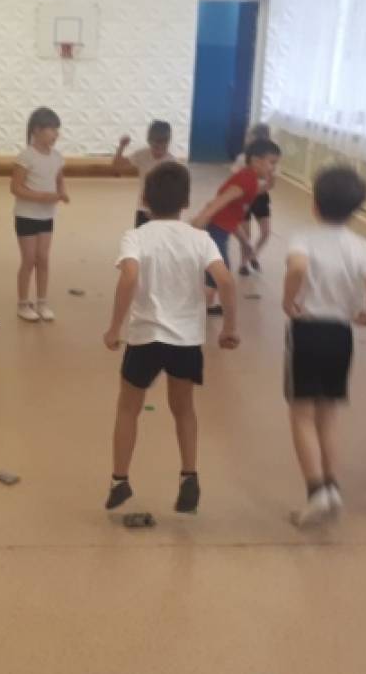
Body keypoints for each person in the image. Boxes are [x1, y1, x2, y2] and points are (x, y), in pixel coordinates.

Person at [102, 162, 238, 514]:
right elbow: (225, 280)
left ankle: (119, 480)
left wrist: (115, 328)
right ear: (186, 201)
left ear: (145, 200)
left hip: (145, 337)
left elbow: (129, 277)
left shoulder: (136, 236)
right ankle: (189, 476)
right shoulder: (200, 238)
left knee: (128, 408)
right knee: (184, 409)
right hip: (186, 341)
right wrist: (229, 327)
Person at [282, 167, 366, 527]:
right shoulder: (361, 246)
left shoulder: (304, 237)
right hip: (341, 335)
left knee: (301, 414)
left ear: (315, 203)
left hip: (307, 331)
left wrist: (288, 299)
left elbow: (297, 268)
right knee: (328, 416)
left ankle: (316, 492)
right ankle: (332, 486)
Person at [190, 137, 281, 313]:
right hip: (214, 230)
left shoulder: (251, 181)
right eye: (272, 163)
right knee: (219, 273)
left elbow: (235, 214)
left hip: (220, 231)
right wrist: (199, 222)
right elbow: (220, 202)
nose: (274, 168)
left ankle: (204, 305)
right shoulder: (245, 181)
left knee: (217, 272)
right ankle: (200, 308)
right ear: (256, 161)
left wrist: (246, 242)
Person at [11, 106, 68, 322]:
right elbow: (16, 188)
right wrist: (41, 196)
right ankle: (23, 303)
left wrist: (62, 193)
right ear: (36, 130)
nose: (56, 134)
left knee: (43, 259)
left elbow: (59, 179)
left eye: (57, 130)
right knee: (29, 259)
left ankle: (42, 302)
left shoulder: (57, 157)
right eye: (51, 129)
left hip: (46, 217)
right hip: (26, 216)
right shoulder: (26, 156)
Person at [112, 119, 175, 228]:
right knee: (140, 237)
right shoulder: (142, 155)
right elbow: (117, 166)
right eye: (156, 147)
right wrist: (121, 147)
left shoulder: (171, 162)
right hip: (143, 209)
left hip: (162, 212)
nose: (159, 151)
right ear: (149, 141)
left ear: (168, 142)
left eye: (163, 147)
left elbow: (172, 192)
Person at [232, 124, 276, 277]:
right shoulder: (242, 159)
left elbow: (270, 184)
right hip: (244, 199)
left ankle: (253, 255)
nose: (248, 140)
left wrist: (269, 179)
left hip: (261, 198)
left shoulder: (270, 161)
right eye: (249, 137)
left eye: (251, 137)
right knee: (246, 235)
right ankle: (243, 263)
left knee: (266, 232)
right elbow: (235, 180)